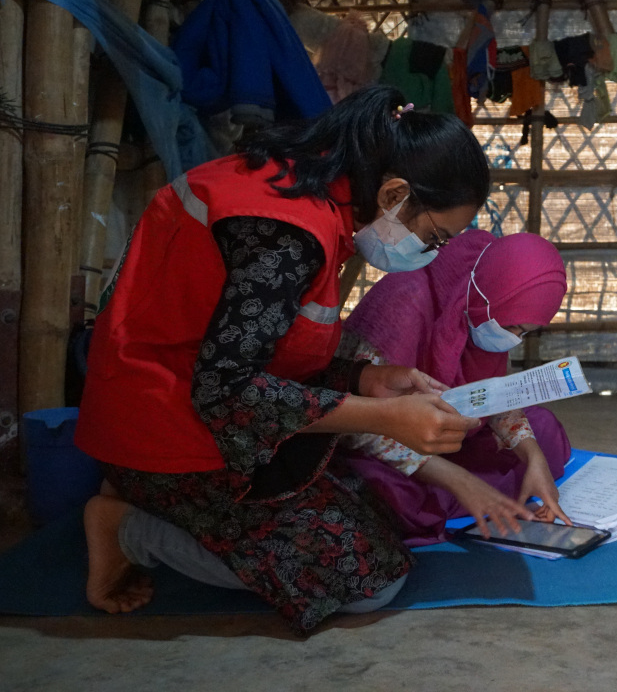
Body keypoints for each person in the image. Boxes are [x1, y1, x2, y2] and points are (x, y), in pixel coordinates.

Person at [75, 86, 491, 634]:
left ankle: (147, 502)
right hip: (163, 429)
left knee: (379, 525)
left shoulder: (309, 194)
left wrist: (368, 379)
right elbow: (227, 389)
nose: (429, 254)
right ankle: (125, 526)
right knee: (369, 582)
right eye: (433, 237)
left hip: (190, 409)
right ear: (393, 193)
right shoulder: (287, 234)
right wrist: (380, 416)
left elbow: (262, 346)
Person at [337, 229, 572, 545]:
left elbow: (490, 397)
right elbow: (356, 424)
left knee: (544, 432)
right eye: (513, 326)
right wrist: (458, 480)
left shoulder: (484, 311)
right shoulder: (406, 300)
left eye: (524, 332)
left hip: (448, 437)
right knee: (387, 493)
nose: (513, 338)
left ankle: (469, 495)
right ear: (491, 296)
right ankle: (470, 494)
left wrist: (533, 458)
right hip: (383, 436)